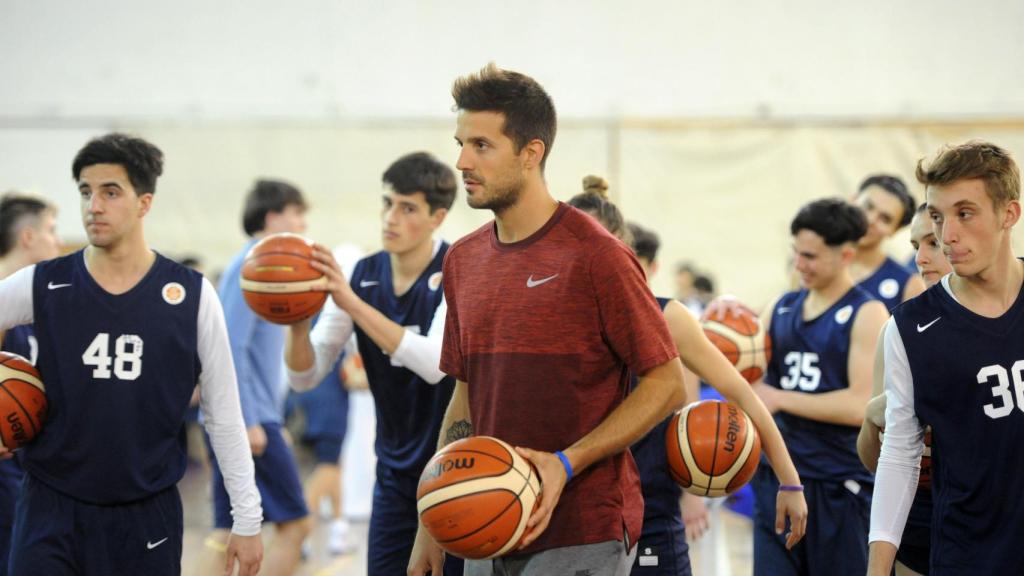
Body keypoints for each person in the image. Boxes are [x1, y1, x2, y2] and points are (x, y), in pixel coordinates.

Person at [410, 63, 687, 576]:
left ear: (531, 153)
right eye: (461, 143)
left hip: (582, 528)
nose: (462, 161)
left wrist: (567, 463)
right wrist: (431, 518)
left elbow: (667, 384)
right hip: (483, 523)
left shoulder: (597, 256)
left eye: (482, 145)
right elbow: (465, 397)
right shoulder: (463, 260)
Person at [0, 133, 263, 575]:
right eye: (85, 192)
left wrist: (247, 518)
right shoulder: (44, 283)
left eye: (110, 192)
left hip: (144, 515)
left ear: (144, 203)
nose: (93, 206)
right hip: (51, 506)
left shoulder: (193, 296)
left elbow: (223, 413)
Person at [568, 184, 807, 575]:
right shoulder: (548, 318)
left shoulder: (667, 317)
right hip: (572, 520)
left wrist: (790, 481)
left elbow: (741, 393)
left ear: (621, 251)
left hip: (651, 516)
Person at [285, 151, 462, 576]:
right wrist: (294, 323)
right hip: (395, 473)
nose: (390, 218)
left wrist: (351, 303)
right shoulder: (362, 274)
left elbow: (435, 362)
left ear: (437, 217)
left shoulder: (458, 269)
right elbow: (305, 376)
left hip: (456, 472)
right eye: (387, 203)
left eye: (407, 208)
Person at [868, 141, 1024, 574]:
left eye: (965, 213)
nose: (947, 234)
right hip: (967, 557)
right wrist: (877, 569)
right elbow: (899, 456)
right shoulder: (909, 328)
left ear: (1008, 214)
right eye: (938, 216)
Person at [729, 198, 887, 576]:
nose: (799, 264)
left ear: (846, 255)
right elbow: (751, 377)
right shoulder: (781, 307)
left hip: (836, 485)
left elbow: (858, 404)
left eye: (811, 256)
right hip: (779, 481)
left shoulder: (868, 313)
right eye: (796, 253)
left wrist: (780, 398)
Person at [198, 179, 311, 576]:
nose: (302, 224)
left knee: (223, 529)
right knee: (296, 524)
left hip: (256, 417)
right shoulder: (253, 266)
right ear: (272, 216)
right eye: (296, 214)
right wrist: (248, 420)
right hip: (246, 421)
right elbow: (230, 348)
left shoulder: (264, 265)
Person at [857, 203, 951, 576]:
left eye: (933, 243)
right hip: (919, 511)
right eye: (915, 245)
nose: (920, 258)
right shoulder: (898, 331)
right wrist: (869, 420)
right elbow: (877, 463)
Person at [0, 192, 62, 576]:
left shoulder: (42, 300)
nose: (57, 241)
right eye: (52, 231)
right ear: (27, 237)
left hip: (30, 460)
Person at [850, 175, 925, 310]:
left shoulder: (909, 285)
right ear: (853, 200)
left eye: (885, 219)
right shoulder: (812, 258)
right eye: (868, 206)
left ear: (895, 230)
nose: (871, 220)